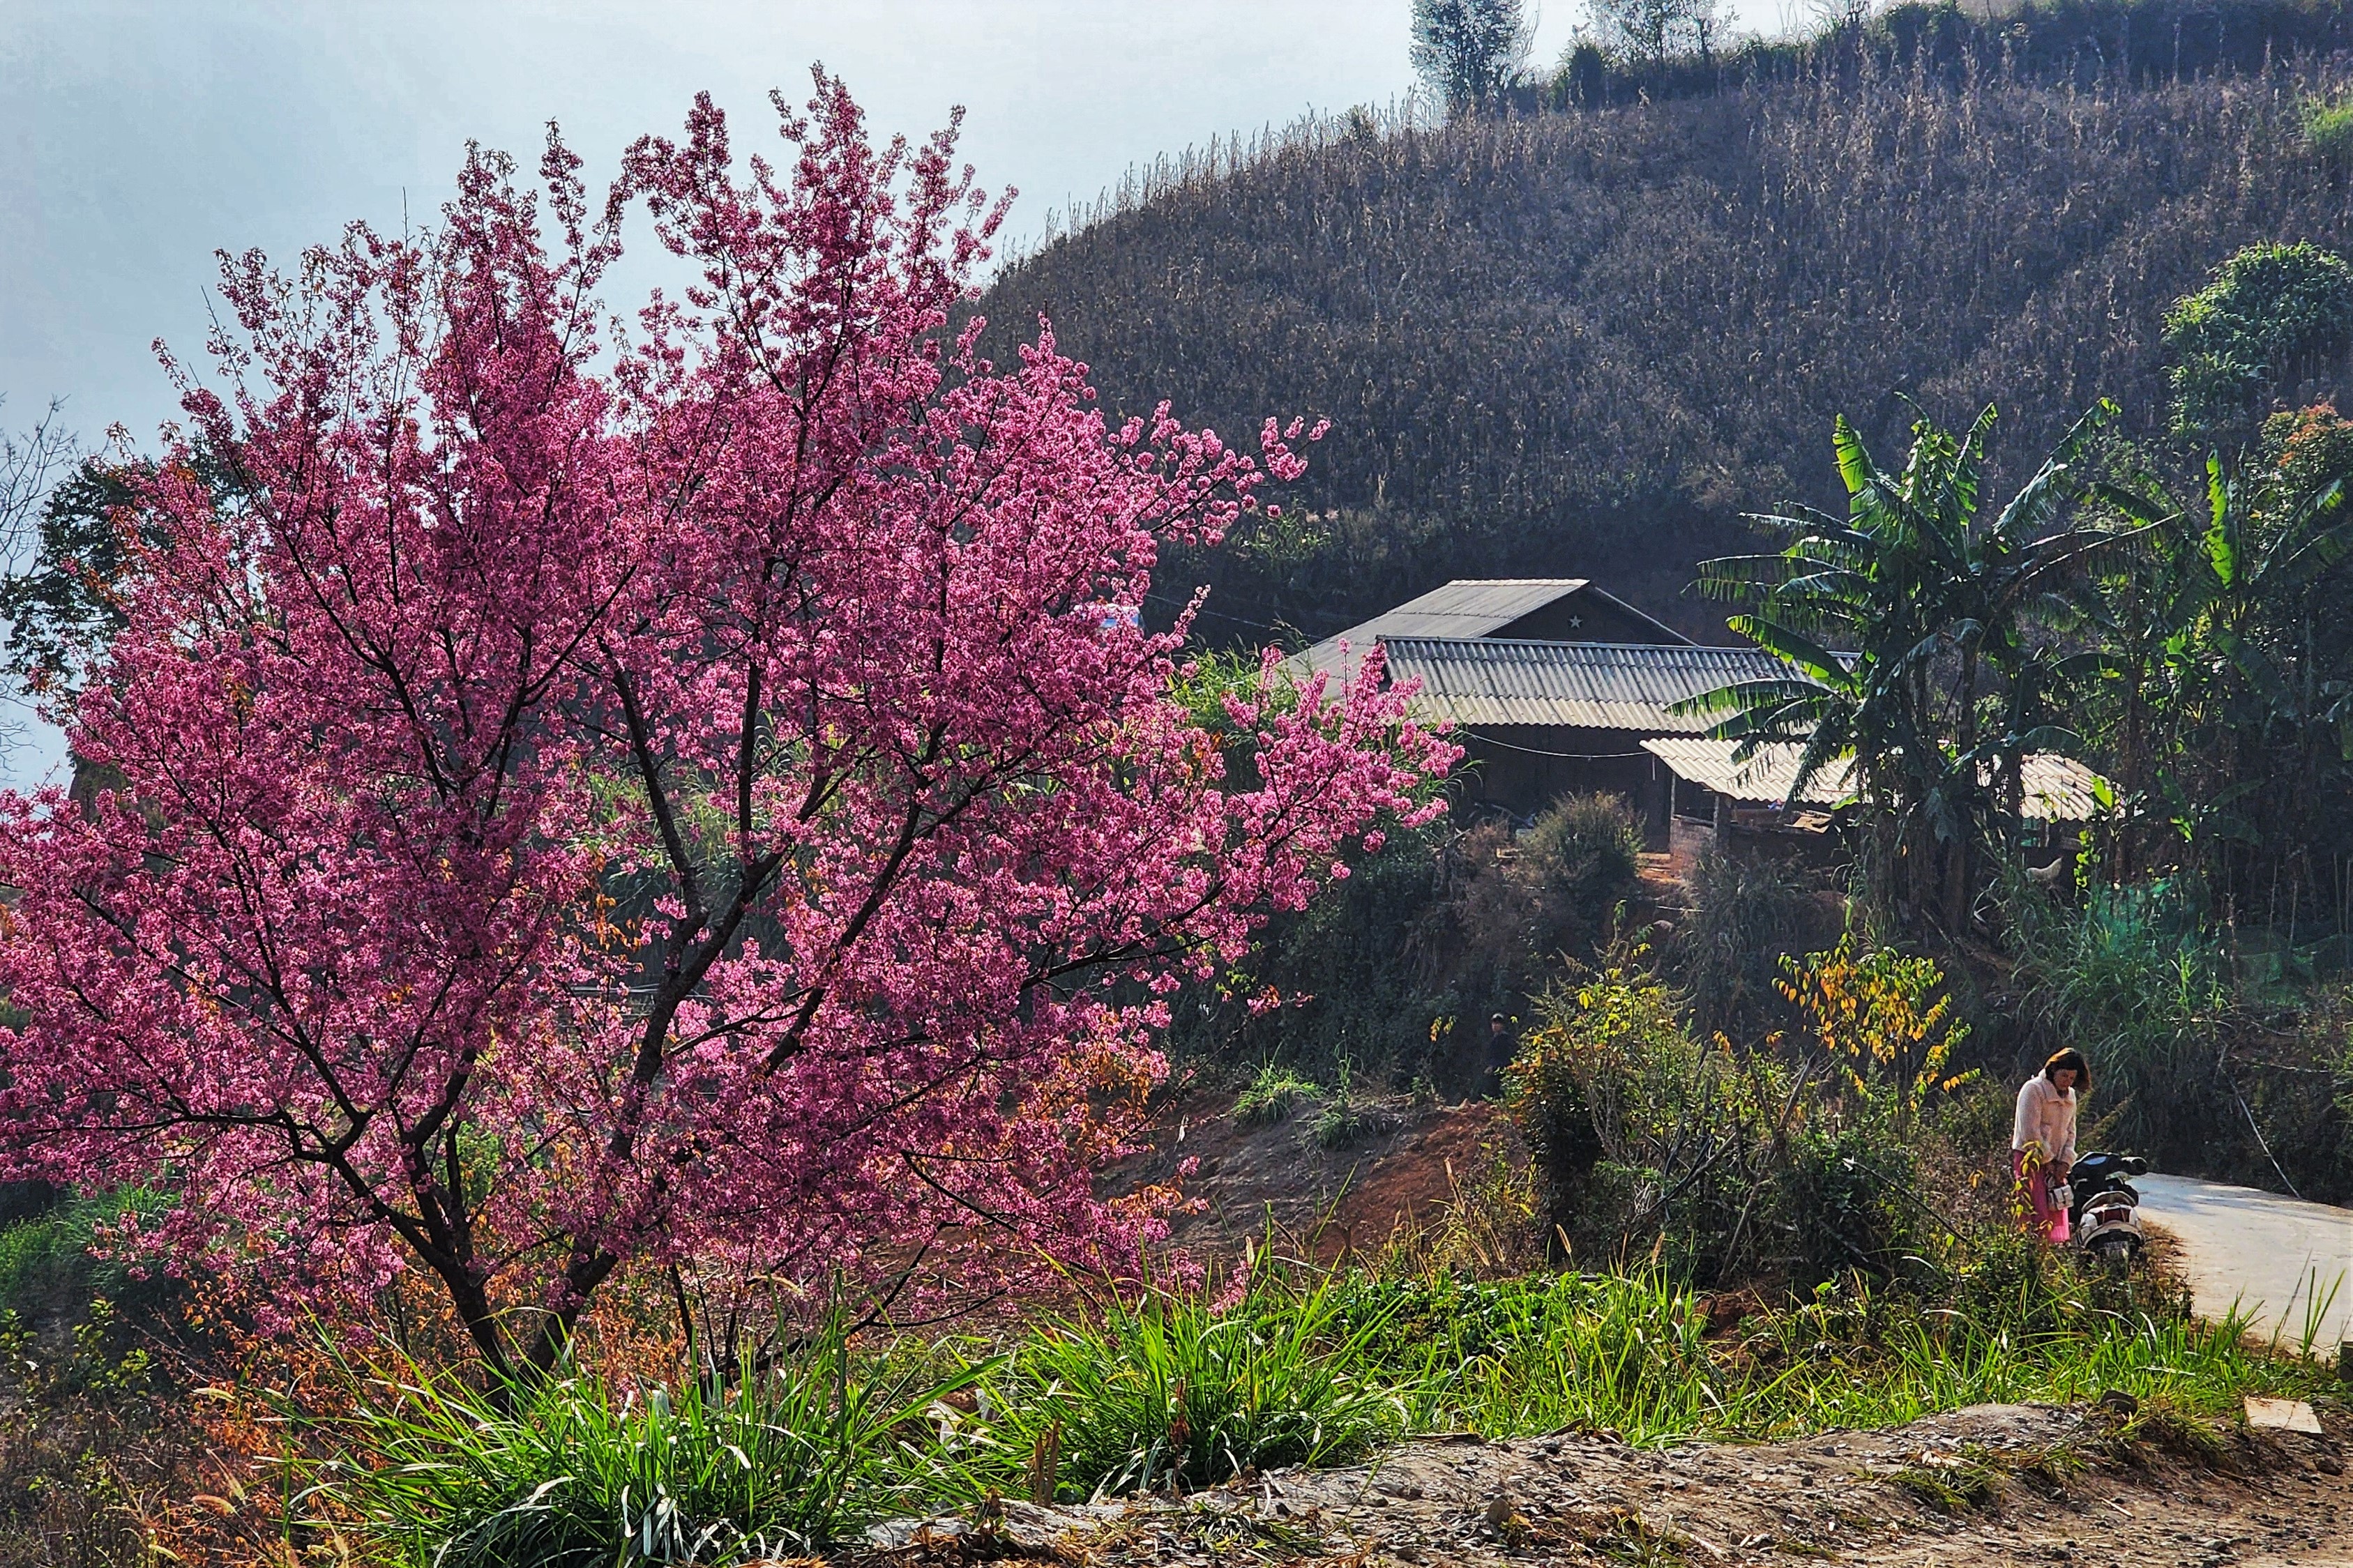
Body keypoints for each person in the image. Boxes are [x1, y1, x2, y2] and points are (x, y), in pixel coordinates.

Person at [2012, 1048, 2089, 1243]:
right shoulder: (2033, 1090)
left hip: (2057, 1167)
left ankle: (2045, 1262)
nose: (2067, 1082)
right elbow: (2030, 1133)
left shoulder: (2070, 1096)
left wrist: (2065, 1163)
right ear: (2053, 1069)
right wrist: (2049, 1162)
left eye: (2072, 1078)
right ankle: (2030, 1262)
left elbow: (2071, 1132)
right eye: (2064, 1075)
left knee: (2053, 1214)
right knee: (2035, 1216)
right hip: (2032, 1161)